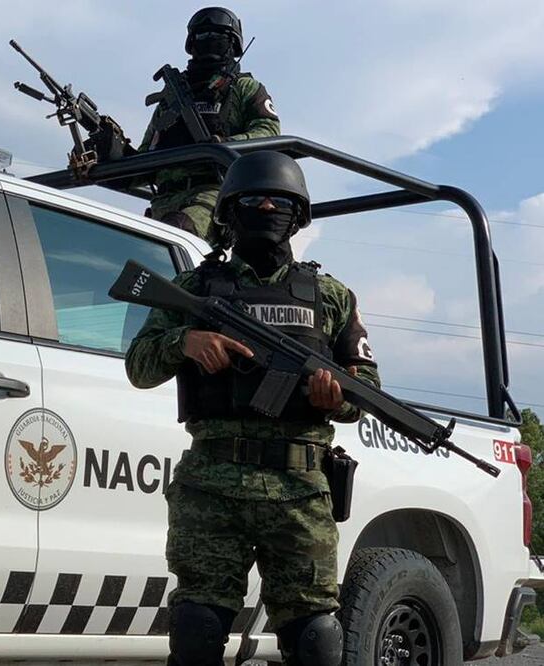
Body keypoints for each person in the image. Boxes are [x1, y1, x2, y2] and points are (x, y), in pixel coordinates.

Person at [124, 150, 380, 666]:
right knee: (197, 625)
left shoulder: (330, 296)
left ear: (298, 215)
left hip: (299, 491)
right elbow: (139, 365)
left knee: (315, 636)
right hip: (212, 483)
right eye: (254, 200)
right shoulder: (196, 287)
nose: (266, 207)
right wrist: (185, 341)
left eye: (279, 201)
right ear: (229, 211)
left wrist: (336, 398)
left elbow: (366, 387)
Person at [138, 7, 281, 248]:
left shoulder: (245, 88)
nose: (209, 43)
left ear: (233, 44)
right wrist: (112, 150)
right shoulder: (172, 97)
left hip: (213, 194)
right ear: (192, 43)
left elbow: (268, 131)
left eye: (218, 37)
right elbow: (144, 158)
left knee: (174, 235)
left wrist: (225, 144)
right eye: (202, 36)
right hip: (162, 200)